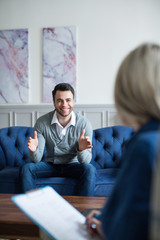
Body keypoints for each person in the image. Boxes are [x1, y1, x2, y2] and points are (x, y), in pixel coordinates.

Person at [86, 43, 160, 240]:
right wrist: (107, 218)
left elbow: (127, 232)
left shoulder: (144, 146)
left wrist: (105, 229)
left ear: (129, 93)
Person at [21, 83, 96, 196]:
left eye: (68, 100)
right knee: (26, 168)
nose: (64, 104)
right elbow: (36, 159)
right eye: (59, 100)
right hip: (51, 165)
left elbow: (85, 161)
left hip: (74, 165)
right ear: (54, 102)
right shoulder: (42, 122)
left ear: (73, 101)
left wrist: (81, 149)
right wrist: (33, 150)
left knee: (90, 169)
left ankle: (84, 210)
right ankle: (31, 206)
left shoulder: (84, 124)